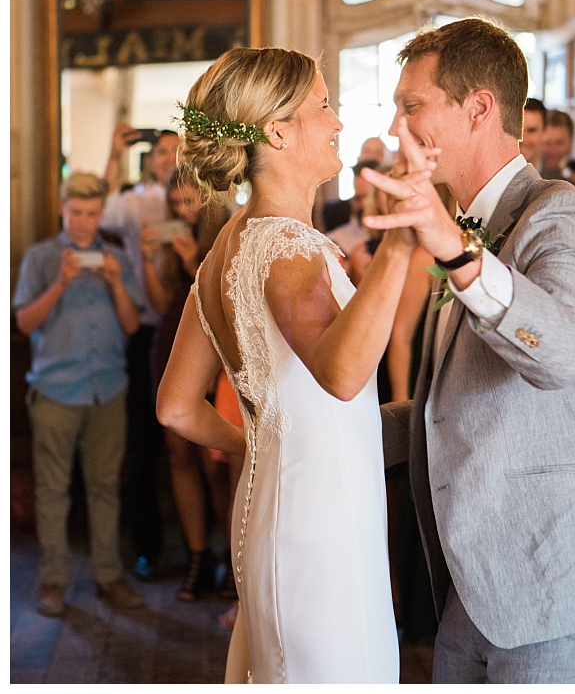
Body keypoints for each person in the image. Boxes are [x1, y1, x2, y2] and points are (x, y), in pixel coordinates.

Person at [363, 17, 575, 682]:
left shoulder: (558, 211)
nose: (398, 127)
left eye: (412, 106)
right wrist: (329, 438)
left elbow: (562, 352)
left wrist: (459, 256)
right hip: (482, 586)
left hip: (562, 582)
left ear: (478, 107)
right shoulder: (461, 229)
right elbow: (450, 405)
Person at [156, 47, 407, 682]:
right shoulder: (289, 246)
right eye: (323, 105)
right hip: (321, 522)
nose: (337, 121)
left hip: (274, 505)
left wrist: (259, 445)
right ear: (277, 131)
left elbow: (175, 406)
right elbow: (342, 375)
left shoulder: (225, 247)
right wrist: (403, 242)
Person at [14, 172, 147, 617]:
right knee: (53, 491)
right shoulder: (40, 258)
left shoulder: (116, 259)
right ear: (62, 209)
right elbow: (24, 323)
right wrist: (60, 284)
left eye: (93, 213)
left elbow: (132, 325)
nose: (85, 222)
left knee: (106, 487)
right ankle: (53, 582)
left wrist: (114, 282)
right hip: (54, 390)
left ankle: (108, 576)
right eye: (77, 213)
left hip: (108, 388)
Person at [142, 170, 231, 603]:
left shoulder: (228, 230)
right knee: (179, 456)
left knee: (214, 462)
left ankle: (233, 558)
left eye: (190, 200)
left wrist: (195, 259)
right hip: (169, 345)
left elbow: (226, 300)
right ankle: (198, 556)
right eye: (176, 203)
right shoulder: (170, 240)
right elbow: (160, 305)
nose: (183, 209)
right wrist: (149, 260)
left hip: (216, 352)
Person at [101, 125, 180, 580]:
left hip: (197, 327)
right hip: (146, 332)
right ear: (151, 161)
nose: (168, 158)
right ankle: (148, 549)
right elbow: (105, 214)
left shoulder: (199, 198)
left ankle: (208, 552)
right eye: (162, 152)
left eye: (176, 151)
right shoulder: (137, 202)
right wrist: (114, 155)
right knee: (143, 448)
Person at [521, 97, 547, 167]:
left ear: (545, 132)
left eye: (531, 131)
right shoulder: (493, 176)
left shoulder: (557, 177)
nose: (523, 140)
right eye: (518, 130)